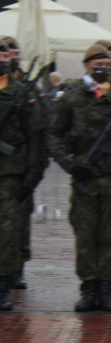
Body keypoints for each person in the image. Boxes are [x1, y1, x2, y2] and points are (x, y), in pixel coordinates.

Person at [47, 44, 111, 312]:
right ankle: (89, 287)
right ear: (86, 66)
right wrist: (71, 164)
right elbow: (54, 136)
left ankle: (105, 286)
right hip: (85, 178)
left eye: (106, 64)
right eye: (96, 64)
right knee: (86, 235)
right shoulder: (71, 97)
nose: (102, 68)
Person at [0, 40, 46, 310]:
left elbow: (37, 136)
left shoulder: (21, 93)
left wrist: (31, 175)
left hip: (10, 174)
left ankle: (3, 284)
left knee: (7, 233)